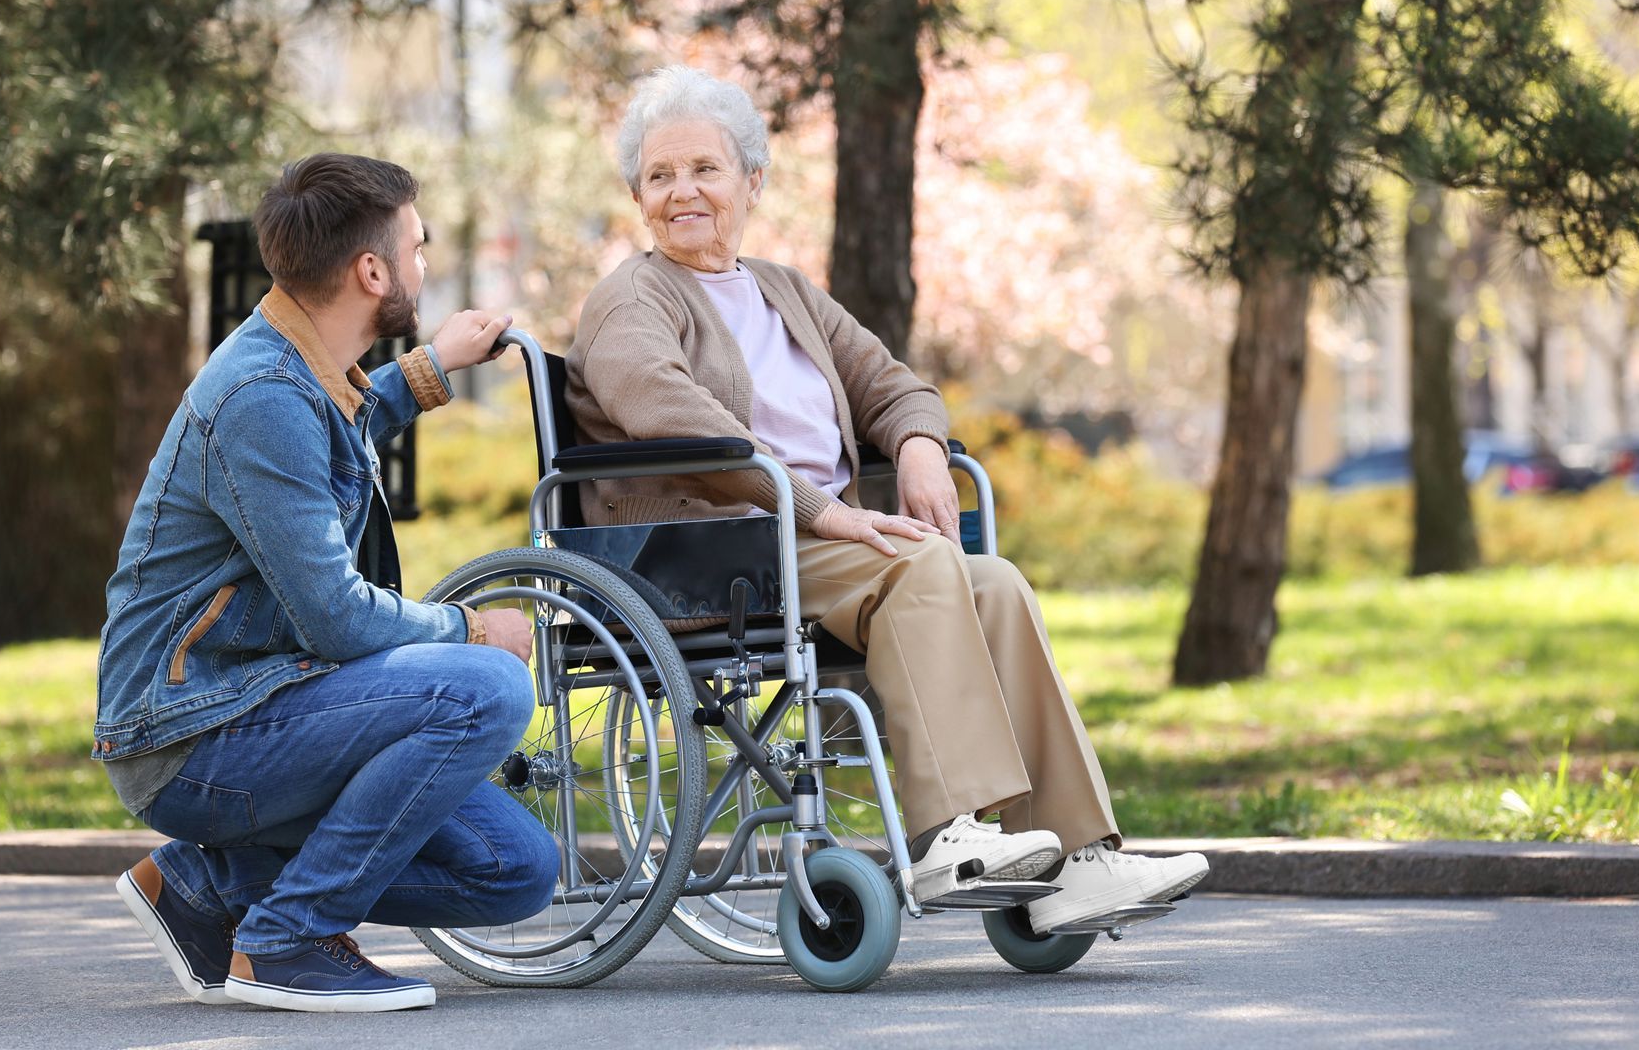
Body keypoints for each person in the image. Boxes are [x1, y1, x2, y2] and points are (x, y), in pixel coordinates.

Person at [564, 66, 1210, 932]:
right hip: (709, 551)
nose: (683, 192)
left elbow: (890, 382)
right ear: (637, 195)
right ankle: (951, 834)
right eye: (660, 175)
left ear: (752, 181)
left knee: (998, 583)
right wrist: (822, 509)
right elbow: (675, 418)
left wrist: (917, 450)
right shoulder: (629, 301)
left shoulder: (784, 290)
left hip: (809, 541)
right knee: (918, 568)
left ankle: (1080, 857)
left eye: (705, 170)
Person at [94, 154, 556, 1013]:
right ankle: (285, 941)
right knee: (486, 688)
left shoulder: (297, 373)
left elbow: (336, 430)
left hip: (264, 703)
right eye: (415, 248)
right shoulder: (261, 394)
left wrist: (431, 368)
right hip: (191, 733)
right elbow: (339, 620)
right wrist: (467, 629)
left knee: (516, 872)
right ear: (371, 271)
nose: (423, 265)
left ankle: (206, 884)